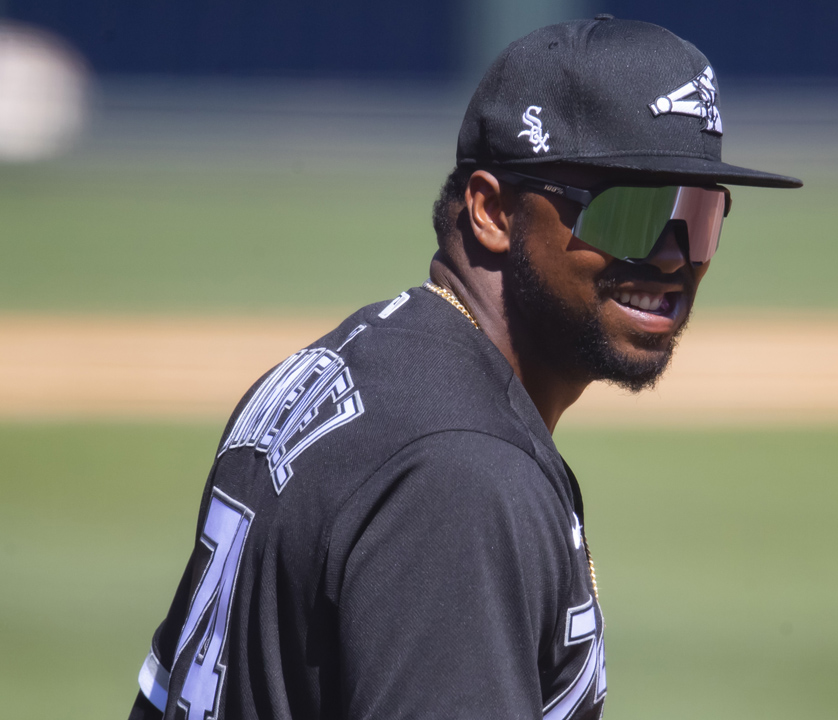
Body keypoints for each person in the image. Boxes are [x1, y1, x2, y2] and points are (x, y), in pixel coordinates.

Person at [128, 15, 800, 720]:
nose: (672, 256)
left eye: (700, 214)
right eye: (629, 213)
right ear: (491, 211)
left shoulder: (346, 363)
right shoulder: (460, 475)